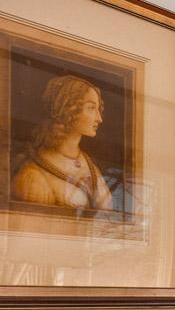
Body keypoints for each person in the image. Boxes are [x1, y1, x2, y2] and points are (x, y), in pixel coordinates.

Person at [9, 74, 114, 213]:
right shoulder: (33, 174)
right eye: (91, 108)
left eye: (98, 109)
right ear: (69, 110)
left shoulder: (91, 167)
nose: (99, 119)